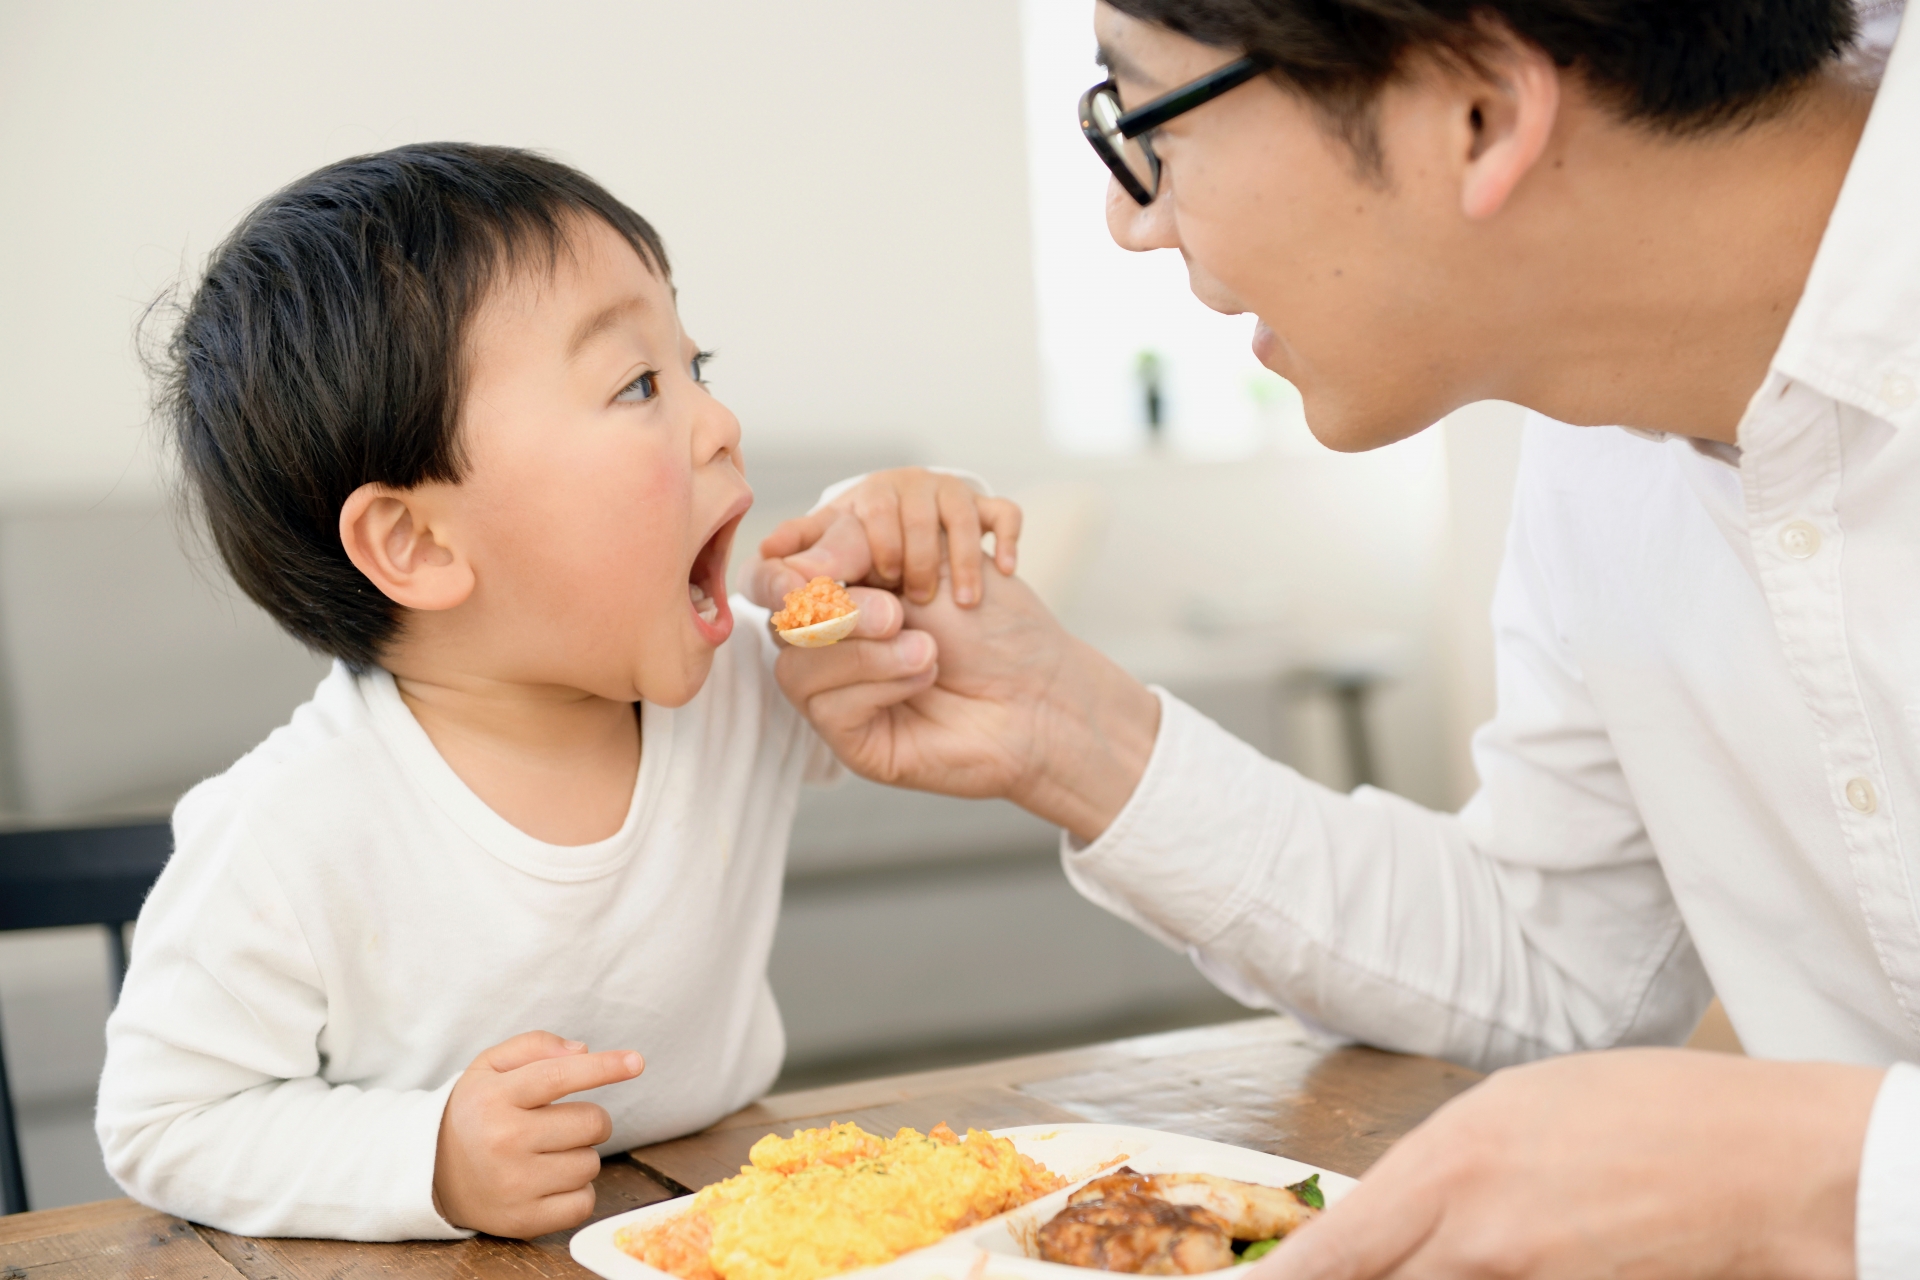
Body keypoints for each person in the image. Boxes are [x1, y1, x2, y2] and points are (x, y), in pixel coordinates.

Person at [754, 0, 1920, 1274]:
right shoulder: (1602, 434)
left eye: (1148, 118)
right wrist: (1071, 736)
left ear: (1475, 111)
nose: (1129, 217)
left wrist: (1823, 1172)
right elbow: (1563, 961)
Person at [94, 143, 1020, 1243]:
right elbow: (164, 1119)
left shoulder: (740, 684)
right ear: (419, 542)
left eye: (697, 363)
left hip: (736, 1215)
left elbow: (926, 676)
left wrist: (907, 540)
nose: (720, 421)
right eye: (637, 383)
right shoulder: (290, 829)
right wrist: (425, 1155)